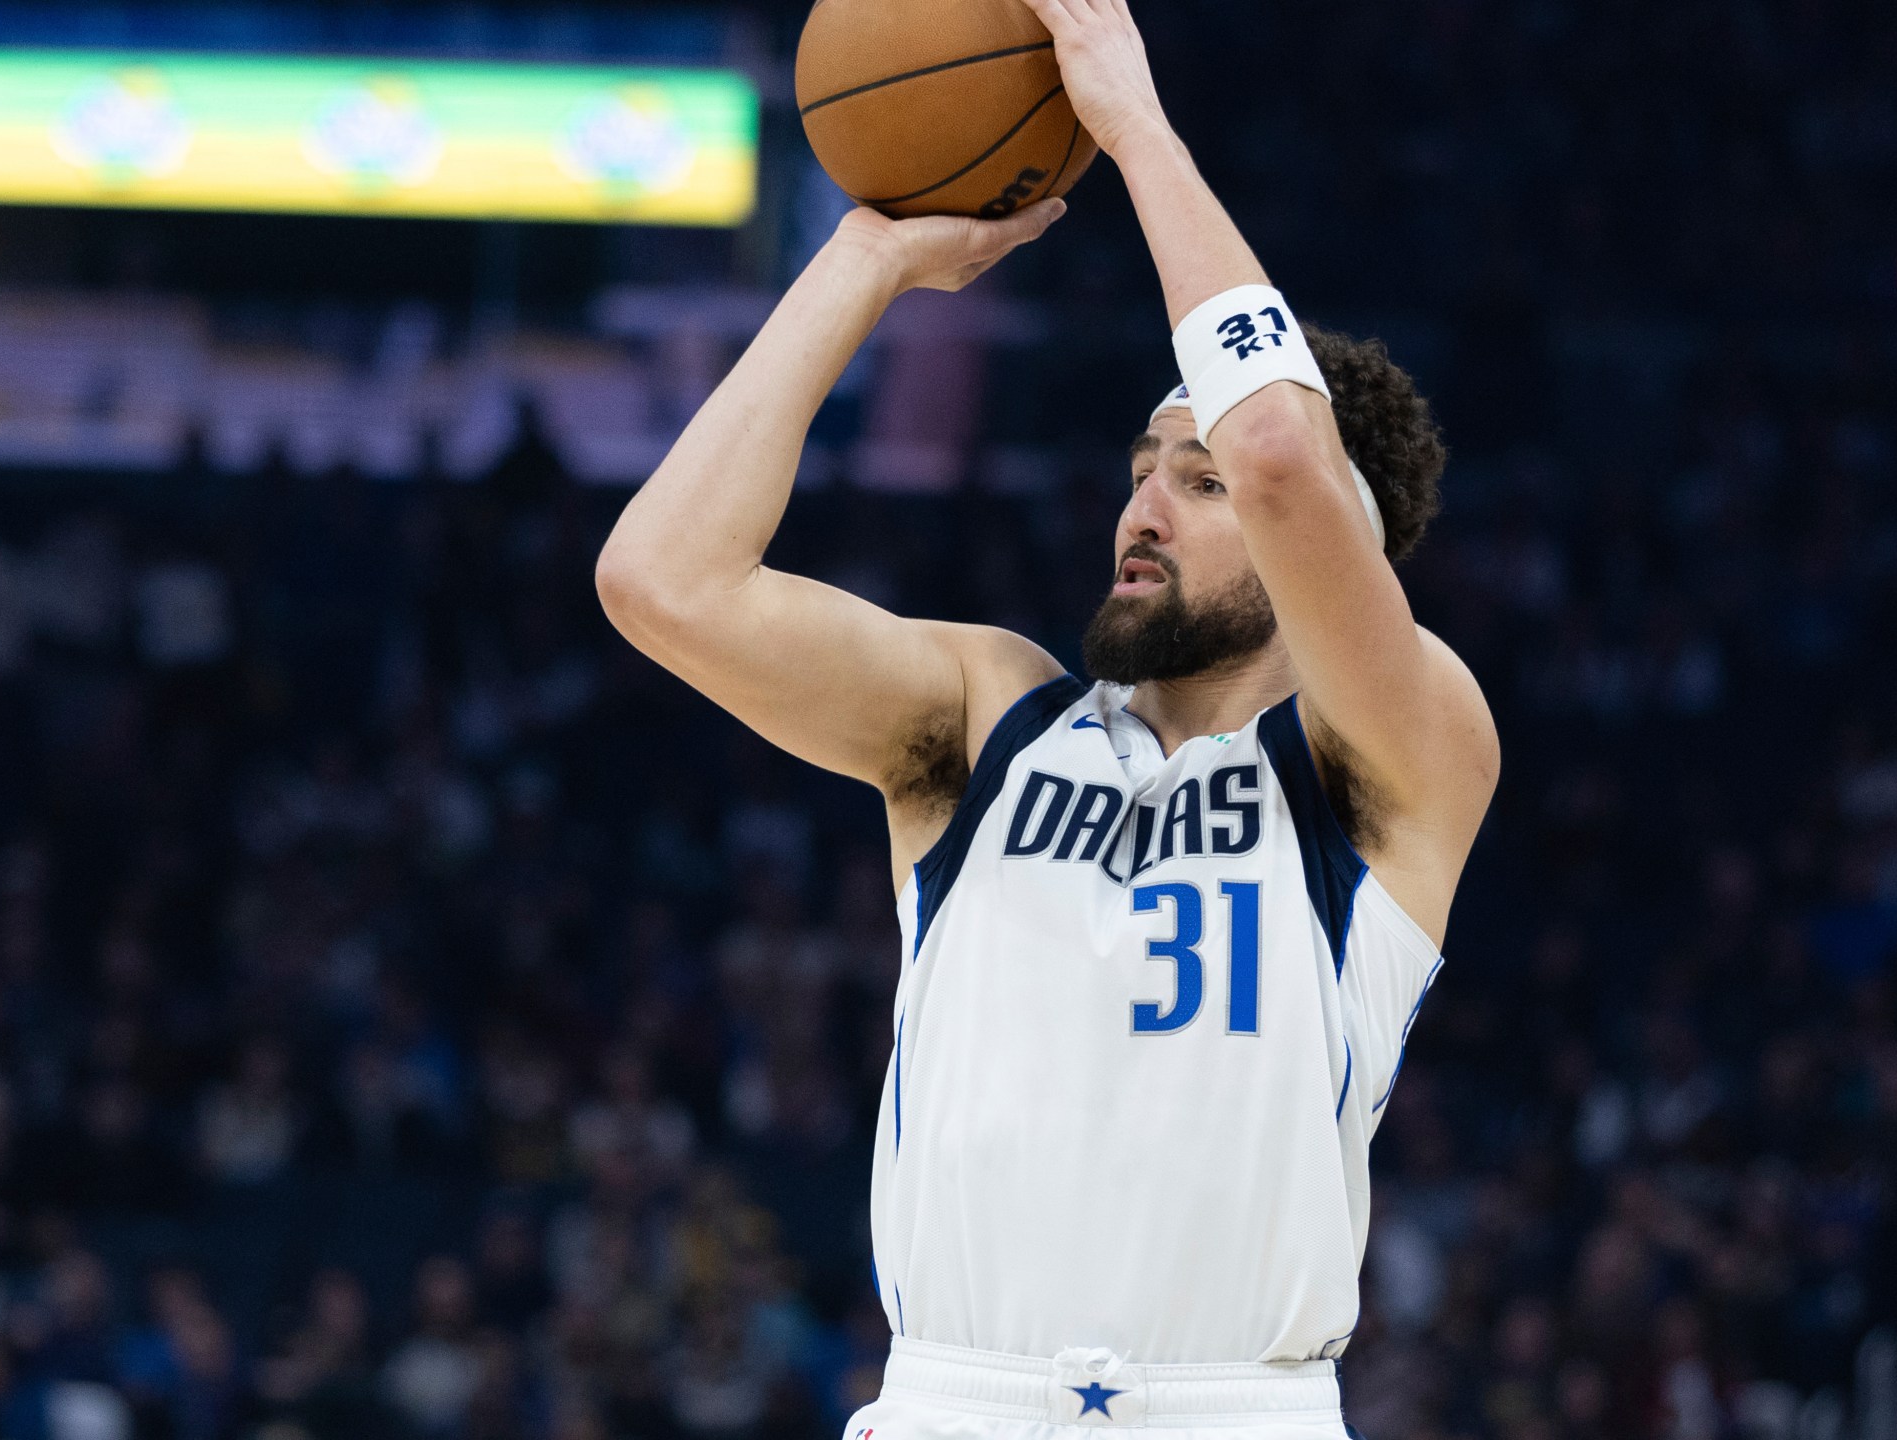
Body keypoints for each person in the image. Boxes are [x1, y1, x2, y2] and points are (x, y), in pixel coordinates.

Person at [596, 0, 1498, 1434]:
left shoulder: (1398, 750)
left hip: (1233, 1410)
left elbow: (1276, 446)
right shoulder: (985, 717)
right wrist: (869, 256)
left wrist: (1133, 124)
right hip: (955, 1397)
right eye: (1144, 465)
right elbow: (661, 581)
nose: (1143, 507)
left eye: (1194, 484)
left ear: (1345, 549)